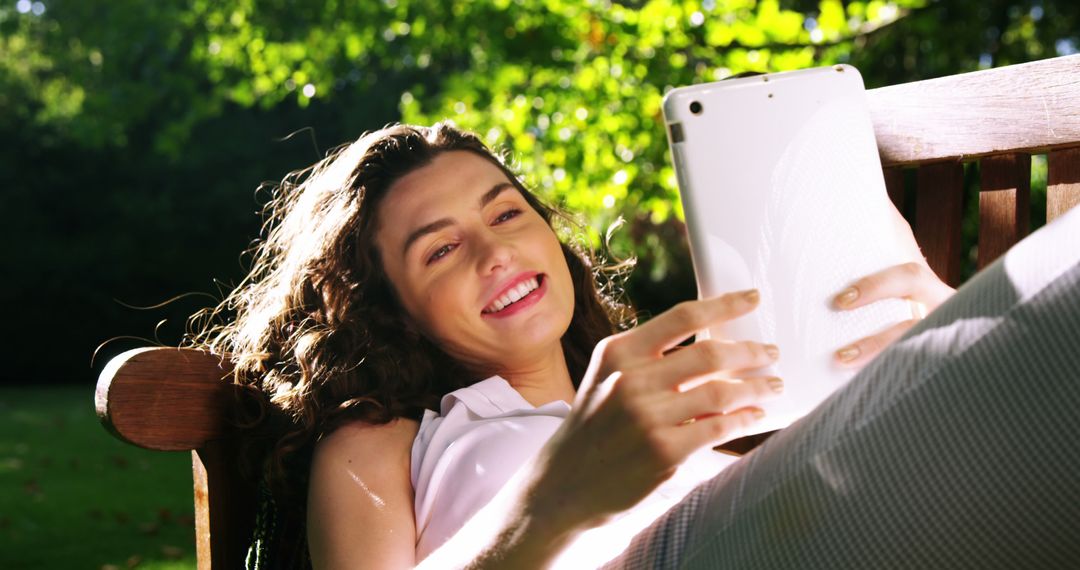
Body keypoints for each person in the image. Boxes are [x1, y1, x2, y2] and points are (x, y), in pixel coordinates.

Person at [195, 122, 1080, 569]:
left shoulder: (654, 393)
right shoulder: (383, 438)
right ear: (386, 308)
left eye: (508, 211)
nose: (498, 249)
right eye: (442, 247)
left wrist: (949, 334)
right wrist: (551, 504)